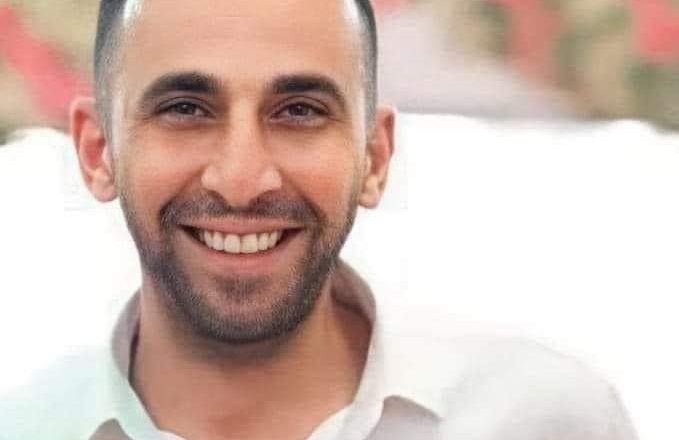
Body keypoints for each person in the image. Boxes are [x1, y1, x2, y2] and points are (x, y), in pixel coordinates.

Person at [2, 0, 637, 439]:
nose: (242, 179)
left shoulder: (544, 419)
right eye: (186, 109)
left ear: (374, 157)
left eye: (300, 111)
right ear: (97, 151)